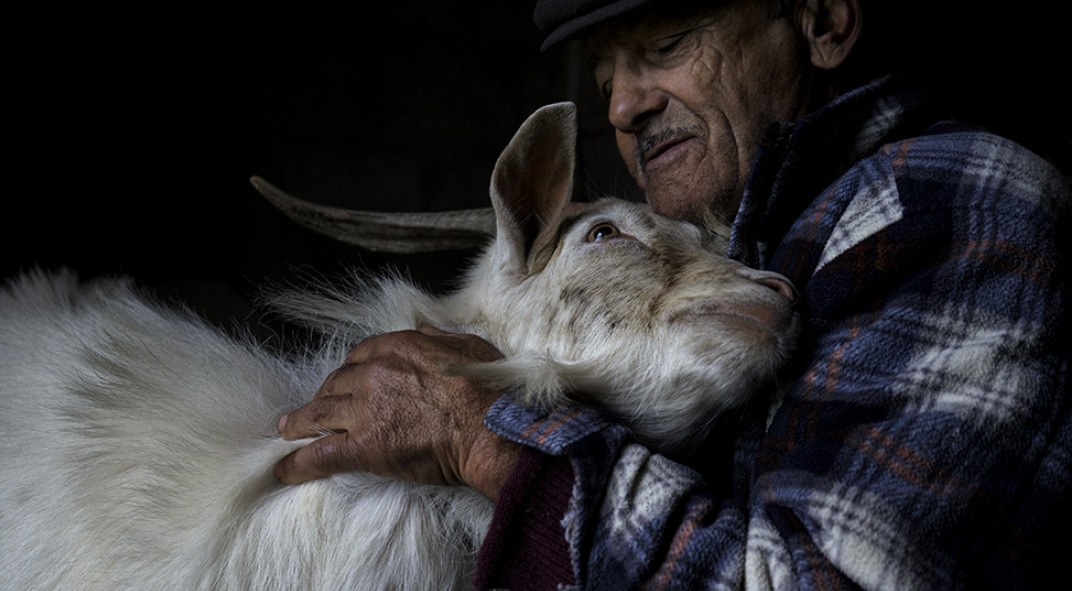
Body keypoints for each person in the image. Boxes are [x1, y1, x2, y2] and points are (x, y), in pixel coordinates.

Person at [273, 0, 1071, 588]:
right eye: (607, 76)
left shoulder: (945, 198)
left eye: (667, 42)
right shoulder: (771, 249)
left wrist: (491, 447)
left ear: (823, 21)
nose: (622, 105)